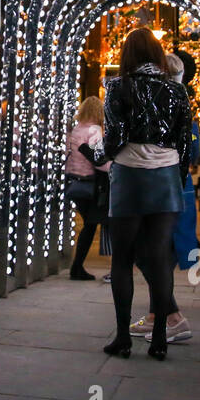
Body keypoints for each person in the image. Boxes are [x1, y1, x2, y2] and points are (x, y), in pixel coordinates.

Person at [81, 28, 191, 360]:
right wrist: (174, 174)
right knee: (159, 259)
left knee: (123, 259)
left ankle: (123, 338)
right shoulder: (176, 90)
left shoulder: (117, 87)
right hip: (166, 177)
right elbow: (184, 143)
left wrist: (96, 155)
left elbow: (114, 139)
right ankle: (159, 339)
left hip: (129, 178)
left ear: (127, 55)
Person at [125, 53, 197, 343]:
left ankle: (174, 317)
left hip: (165, 185)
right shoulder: (173, 102)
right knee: (158, 253)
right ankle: (159, 315)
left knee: (149, 251)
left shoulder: (169, 104)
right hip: (170, 185)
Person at [64, 96, 109, 280]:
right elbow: (99, 162)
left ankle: (77, 266)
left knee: (89, 224)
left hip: (73, 180)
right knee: (91, 224)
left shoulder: (75, 130)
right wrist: (114, 166)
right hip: (89, 182)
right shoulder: (94, 130)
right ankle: (77, 267)